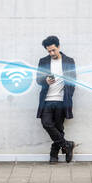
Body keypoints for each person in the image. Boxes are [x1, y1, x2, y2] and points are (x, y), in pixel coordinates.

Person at [36, 35, 76, 163]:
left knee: (58, 128)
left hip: (62, 100)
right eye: (49, 51)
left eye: (53, 50)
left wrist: (68, 97)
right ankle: (67, 145)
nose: (51, 53)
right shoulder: (43, 61)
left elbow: (73, 81)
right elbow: (38, 79)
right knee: (46, 123)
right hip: (47, 100)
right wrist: (45, 80)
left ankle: (54, 154)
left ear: (58, 46)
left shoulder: (69, 61)